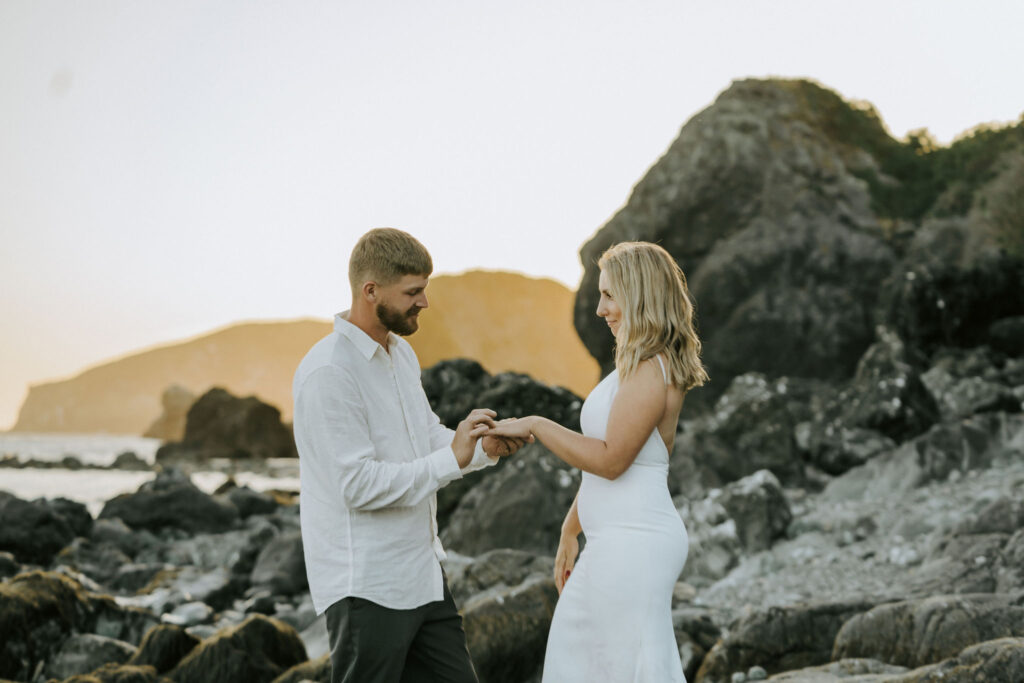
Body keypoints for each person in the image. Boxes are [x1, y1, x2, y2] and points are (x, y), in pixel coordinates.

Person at [293, 228, 529, 683]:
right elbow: (357, 486)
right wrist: (452, 460)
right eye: (413, 292)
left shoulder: (401, 355)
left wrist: (481, 449)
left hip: (422, 575)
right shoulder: (328, 372)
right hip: (366, 587)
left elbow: (426, 437)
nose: (424, 302)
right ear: (370, 291)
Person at [485, 241, 708, 682]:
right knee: (593, 661)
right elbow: (605, 464)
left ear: (637, 294)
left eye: (609, 295)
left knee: (610, 664)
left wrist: (535, 424)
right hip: (618, 539)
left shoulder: (652, 368)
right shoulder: (635, 366)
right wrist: (572, 528)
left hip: (637, 542)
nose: (600, 309)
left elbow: (610, 462)